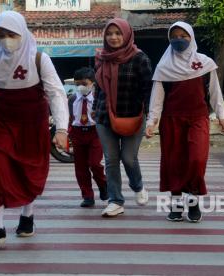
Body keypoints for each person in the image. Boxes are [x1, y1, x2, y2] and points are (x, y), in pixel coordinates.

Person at [0, 11, 69, 246]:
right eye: (0, 34)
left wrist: (62, 129)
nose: (6, 39)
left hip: (33, 125)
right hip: (1, 123)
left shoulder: (40, 60)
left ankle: (27, 216)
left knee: (27, 171)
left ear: (22, 33)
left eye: (11, 34)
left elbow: (56, 94)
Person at [145, 21, 224, 223]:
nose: (179, 40)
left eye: (184, 36)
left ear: (191, 38)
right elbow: (157, 98)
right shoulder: (163, 67)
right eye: (174, 36)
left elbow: (214, 92)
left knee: (197, 159)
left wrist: (221, 114)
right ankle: (176, 204)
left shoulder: (205, 62)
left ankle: (193, 199)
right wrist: (151, 121)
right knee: (174, 163)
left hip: (198, 118)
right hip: (171, 120)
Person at [94, 18, 152, 217]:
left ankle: (138, 186)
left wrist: (151, 117)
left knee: (128, 158)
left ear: (126, 34)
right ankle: (116, 200)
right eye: (109, 33)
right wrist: (94, 109)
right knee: (111, 160)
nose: (113, 37)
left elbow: (148, 90)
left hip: (133, 116)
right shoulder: (101, 57)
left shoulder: (140, 58)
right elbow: (98, 88)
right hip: (104, 116)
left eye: (118, 33)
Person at [69, 67, 107, 207]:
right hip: (78, 133)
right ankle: (87, 196)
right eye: (77, 84)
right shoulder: (72, 99)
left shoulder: (99, 98)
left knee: (95, 163)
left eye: (84, 84)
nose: (80, 87)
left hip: (95, 133)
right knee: (81, 167)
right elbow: (70, 118)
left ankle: (104, 185)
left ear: (92, 83)